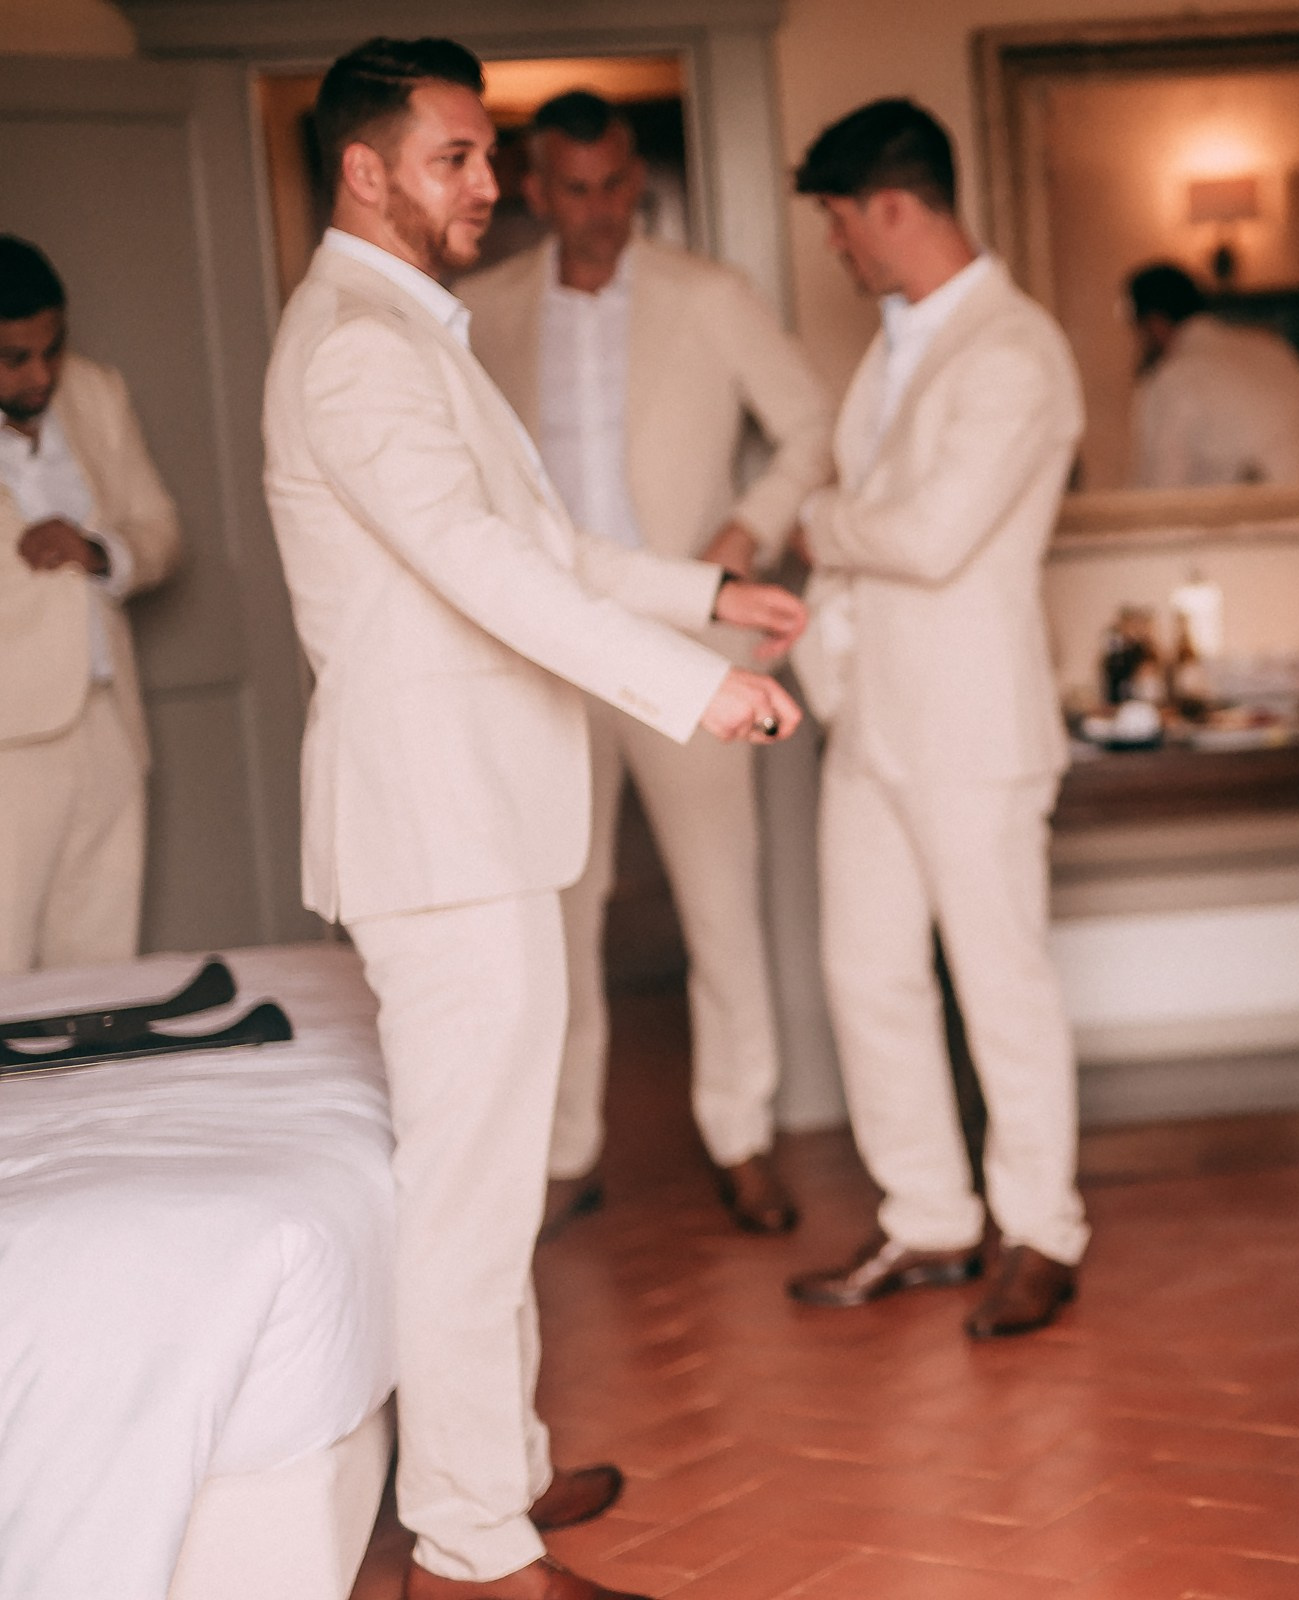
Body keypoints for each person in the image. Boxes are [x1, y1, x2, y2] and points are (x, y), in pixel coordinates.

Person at [260, 38, 807, 1600]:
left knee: (486, 1180)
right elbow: (480, 571)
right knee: (468, 1191)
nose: (489, 185)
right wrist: (688, 683)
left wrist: (707, 592)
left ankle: (492, 1471)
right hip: (436, 821)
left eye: (487, 155)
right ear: (366, 171)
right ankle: (473, 1552)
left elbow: (549, 542)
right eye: (456, 158)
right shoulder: (356, 346)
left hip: (478, 814)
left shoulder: (404, 330)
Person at [458, 89, 836, 1240]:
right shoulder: (479, 310)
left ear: (636, 179)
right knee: (561, 907)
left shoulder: (709, 296)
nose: (599, 210)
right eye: (573, 189)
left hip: (690, 632)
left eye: (616, 185)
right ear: (534, 189)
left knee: (722, 897)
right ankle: (570, 1147)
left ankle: (743, 1134)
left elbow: (810, 427)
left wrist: (741, 536)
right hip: (542, 645)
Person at [784, 99, 1088, 1340]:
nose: (841, 252)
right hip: (869, 717)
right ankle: (929, 1214)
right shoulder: (897, 340)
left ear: (894, 208)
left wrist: (815, 522)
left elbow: (929, 534)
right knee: (865, 974)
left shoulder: (1015, 349)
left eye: (844, 226)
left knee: (999, 981)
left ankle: (1043, 1229)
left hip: (972, 722)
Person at [0, 236, 180, 976]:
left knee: (102, 968)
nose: (42, 374)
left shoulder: (96, 390)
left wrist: (98, 550)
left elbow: (162, 531)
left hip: (109, 719)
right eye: (15, 358)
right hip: (9, 740)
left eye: (54, 348)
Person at [1125, 261, 1299, 489]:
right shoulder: (1273, 350)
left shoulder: (1172, 378)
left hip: (1268, 516)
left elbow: (1161, 497)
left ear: (1154, 324)